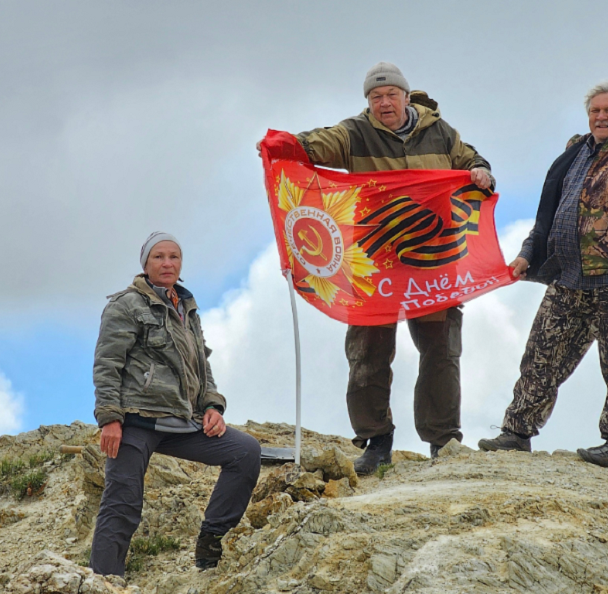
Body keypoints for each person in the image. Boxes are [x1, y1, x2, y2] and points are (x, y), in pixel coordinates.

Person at [259, 62, 495, 473]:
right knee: (367, 351)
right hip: (374, 262)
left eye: (390, 95)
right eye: (375, 97)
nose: (384, 103)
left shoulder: (441, 131)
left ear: (406, 96)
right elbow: (316, 144)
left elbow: (472, 159)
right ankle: (375, 440)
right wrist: (281, 146)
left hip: (432, 260)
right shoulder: (354, 132)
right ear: (368, 102)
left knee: (442, 350)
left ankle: (443, 441)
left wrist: (481, 170)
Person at [478, 81, 608, 467]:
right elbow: (552, 212)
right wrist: (529, 254)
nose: (601, 117)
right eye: (595, 111)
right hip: (568, 278)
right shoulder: (575, 153)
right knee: (540, 357)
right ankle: (516, 432)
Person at [90, 232, 261, 574]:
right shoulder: (125, 305)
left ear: (180, 265)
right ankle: (104, 581)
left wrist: (213, 406)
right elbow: (107, 365)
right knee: (122, 504)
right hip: (136, 422)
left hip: (183, 422)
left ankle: (211, 539)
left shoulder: (187, 308)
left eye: (174, 257)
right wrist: (110, 418)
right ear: (146, 264)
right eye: (159, 257)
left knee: (245, 451)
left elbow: (202, 364)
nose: (167, 263)